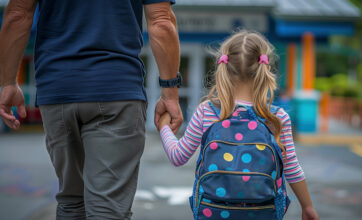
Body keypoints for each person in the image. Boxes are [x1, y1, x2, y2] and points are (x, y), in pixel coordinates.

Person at [0, 0, 183, 219]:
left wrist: (8, 82)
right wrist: (169, 92)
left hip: (58, 89)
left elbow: (17, 14)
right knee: (108, 209)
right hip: (116, 90)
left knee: (71, 203)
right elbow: (161, 21)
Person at [158, 31, 319, 220]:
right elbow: (292, 168)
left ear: (224, 68)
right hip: (263, 213)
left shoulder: (207, 111)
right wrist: (307, 207)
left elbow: (178, 156)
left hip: (213, 212)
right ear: (264, 68)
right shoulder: (276, 117)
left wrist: (164, 127)